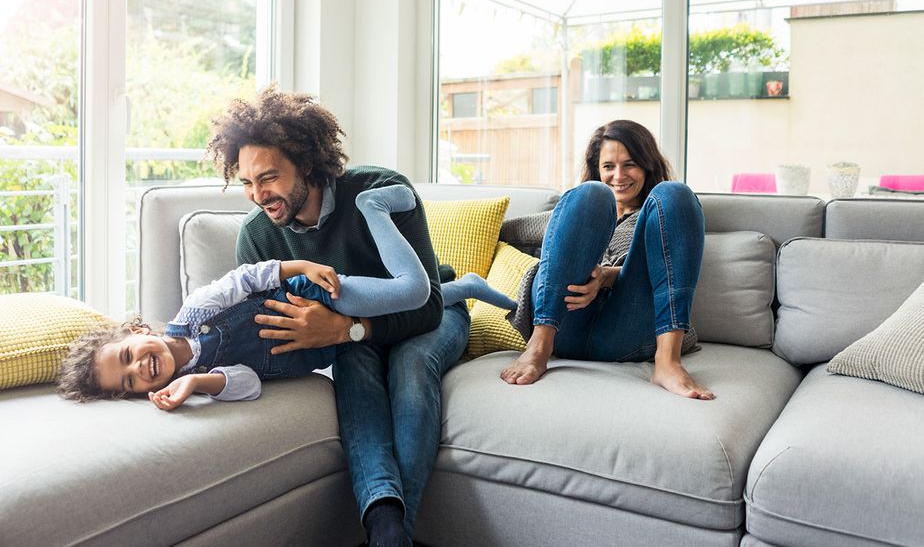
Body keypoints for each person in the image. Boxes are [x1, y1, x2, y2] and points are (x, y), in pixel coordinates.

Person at [207, 85, 471, 546]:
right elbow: (275, 325)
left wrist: (351, 327)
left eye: (267, 177)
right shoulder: (257, 240)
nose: (257, 195)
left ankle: (391, 535)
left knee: (410, 367)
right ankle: (388, 531)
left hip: (438, 311)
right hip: (353, 339)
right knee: (353, 364)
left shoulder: (380, 190)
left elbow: (426, 304)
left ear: (305, 163)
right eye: (246, 182)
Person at [57, 185, 513, 410]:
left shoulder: (194, 310)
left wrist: (302, 267)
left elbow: (250, 277)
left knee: (414, 291)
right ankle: (464, 286)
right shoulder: (205, 373)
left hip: (315, 294)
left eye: (129, 356)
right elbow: (248, 384)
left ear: (138, 332)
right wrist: (198, 384)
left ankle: (373, 207)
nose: (140, 368)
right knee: (410, 299)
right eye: (131, 381)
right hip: (330, 338)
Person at [500, 119, 714, 400]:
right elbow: (502, 230)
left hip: (627, 326)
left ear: (647, 165)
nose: (619, 176)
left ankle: (668, 362)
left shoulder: (658, 215)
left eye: (630, 164)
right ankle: (539, 347)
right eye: (609, 166)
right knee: (591, 193)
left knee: (675, 192)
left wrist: (606, 276)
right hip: (566, 319)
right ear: (597, 169)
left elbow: (668, 264)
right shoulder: (580, 211)